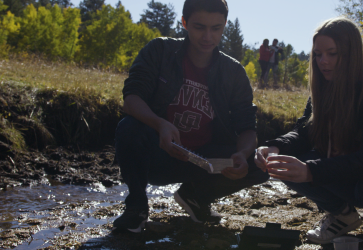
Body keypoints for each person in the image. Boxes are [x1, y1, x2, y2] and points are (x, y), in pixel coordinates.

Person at [254, 17, 363, 250]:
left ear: (350, 53)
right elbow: (305, 131)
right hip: (347, 165)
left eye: (332, 53)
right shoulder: (324, 86)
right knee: (287, 166)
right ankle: (342, 215)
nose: (323, 61)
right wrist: (276, 147)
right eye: (318, 54)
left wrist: (311, 172)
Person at [114, 0, 269, 233]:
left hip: (205, 162)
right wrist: (160, 125)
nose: (208, 36)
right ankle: (136, 207)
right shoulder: (160, 50)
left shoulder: (234, 72)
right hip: (159, 153)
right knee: (129, 127)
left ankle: (195, 197)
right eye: (199, 27)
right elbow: (131, 98)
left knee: (259, 164)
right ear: (184, 22)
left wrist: (243, 154)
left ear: (225, 25)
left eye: (216, 28)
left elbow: (247, 127)